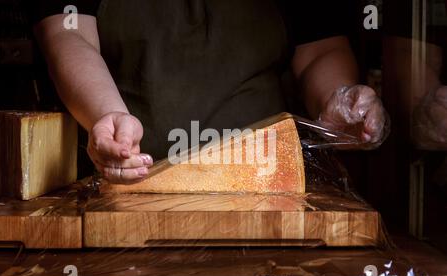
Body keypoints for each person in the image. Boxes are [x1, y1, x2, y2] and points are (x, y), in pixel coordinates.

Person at [32, 0, 388, 184]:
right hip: (121, 187)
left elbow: (319, 48)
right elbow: (68, 32)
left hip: (266, 189)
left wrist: (338, 100)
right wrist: (110, 120)